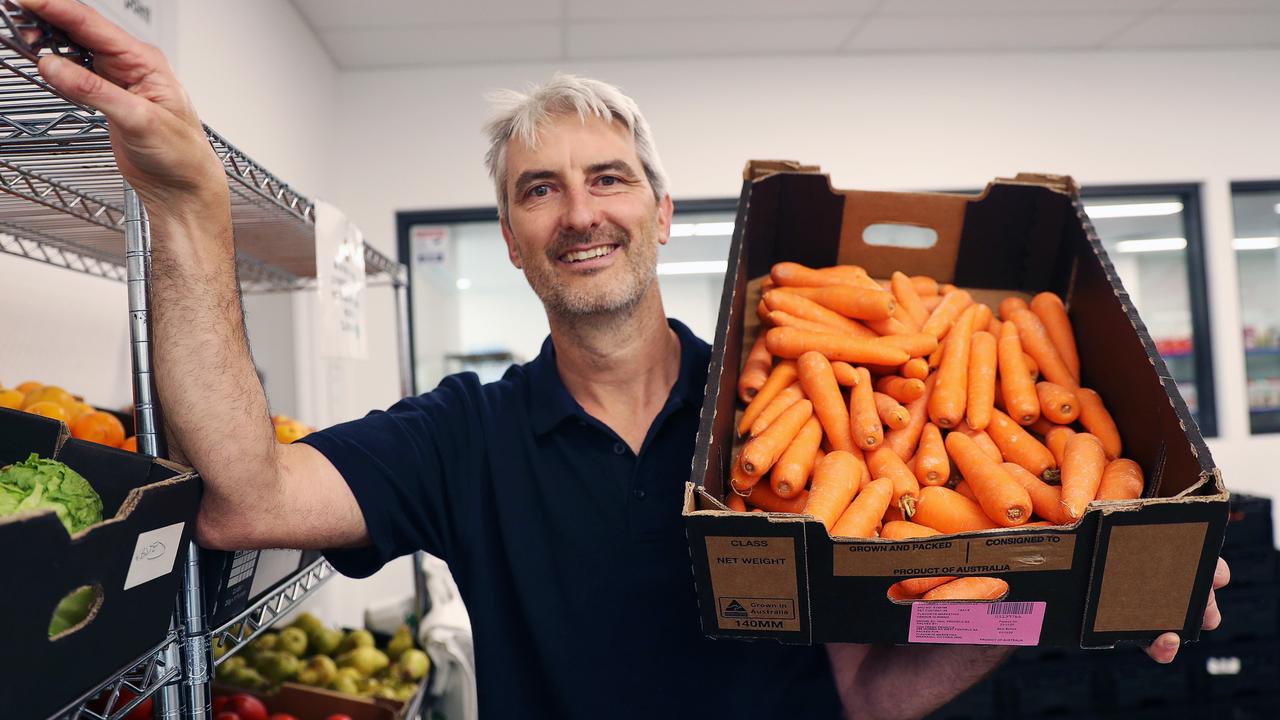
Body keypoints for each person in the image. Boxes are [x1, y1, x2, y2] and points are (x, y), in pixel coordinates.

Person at [20, 1, 1230, 718]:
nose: (577, 211)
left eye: (607, 179)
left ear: (660, 211)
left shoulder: (789, 408)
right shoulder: (464, 435)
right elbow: (241, 498)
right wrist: (187, 203)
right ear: (509, 238)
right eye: (537, 190)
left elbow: (873, 694)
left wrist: (1045, 604)